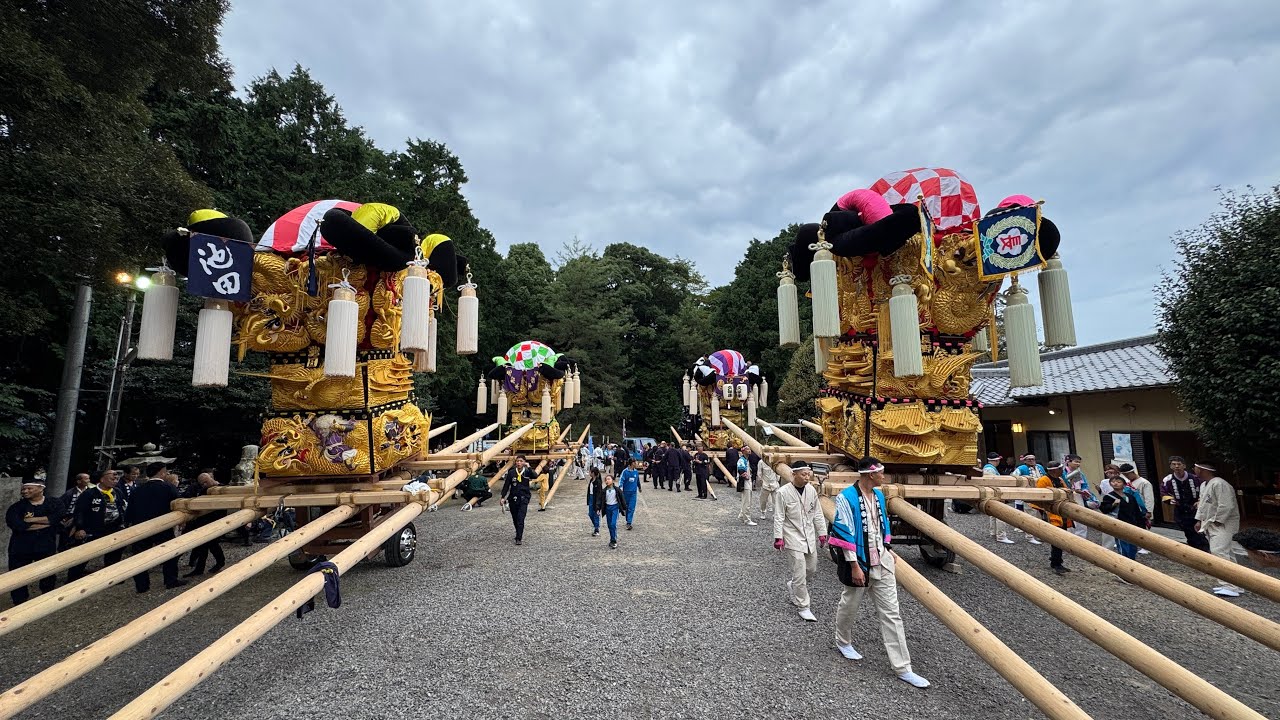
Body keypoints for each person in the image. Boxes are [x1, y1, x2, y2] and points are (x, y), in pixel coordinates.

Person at [829, 457, 930, 688]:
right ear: (870, 474)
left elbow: (882, 524)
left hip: (881, 560)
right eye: (881, 472)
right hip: (860, 561)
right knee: (850, 604)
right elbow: (844, 531)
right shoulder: (847, 497)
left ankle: (903, 667)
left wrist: (887, 548)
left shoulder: (880, 496)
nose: (884, 476)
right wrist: (854, 565)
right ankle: (843, 641)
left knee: (892, 614)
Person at [773, 460, 827, 622]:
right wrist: (778, 537)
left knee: (811, 568)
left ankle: (794, 585)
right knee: (799, 570)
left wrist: (822, 532)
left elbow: (817, 512)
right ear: (793, 474)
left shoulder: (811, 490)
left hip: (809, 534)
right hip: (792, 535)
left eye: (808, 474)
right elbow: (779, 516)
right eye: (803, 474)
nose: (807, 477)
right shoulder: (783, 492)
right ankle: (803, 606)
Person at [6, 474, 65, 604]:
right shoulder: (16, 507)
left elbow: (57, 518)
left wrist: (31, 521)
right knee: (18, 574)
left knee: (48, 572)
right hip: (20, 547)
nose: (25, 491)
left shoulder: (54, 503)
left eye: (29, 489)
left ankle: (47, 598)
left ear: (40, 488)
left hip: (46, 545)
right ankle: (19, 601)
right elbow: (17, 524)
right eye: (24, 489)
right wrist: (47, 522)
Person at [126, 462, 185, 592]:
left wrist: (128, 524)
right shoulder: (169, 488)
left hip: (140, 527)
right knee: (169, 554)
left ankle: (142, 585)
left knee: (140, 557)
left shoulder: (137, 489)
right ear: (162, 472)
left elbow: (130, 510)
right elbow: (178, 505)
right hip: (163, 525)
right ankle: (170, 580)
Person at [1193, 463, 1244, 597]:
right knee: (1228, 554)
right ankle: (1236, 584)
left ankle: (1229, 586)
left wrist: (1218, 520)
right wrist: (1199, 520)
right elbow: (1203, 505)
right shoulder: (1204, 485)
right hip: (1210, 523)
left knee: (1219, 553)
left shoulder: (1220, 484)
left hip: (1222, 524)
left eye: (1196, 468)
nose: (1194, 470)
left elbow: (1226, 505)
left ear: (1203, 469)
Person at [68, 469, 128, 581]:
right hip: (92, 528)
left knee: (115, 553)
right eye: (112, 478)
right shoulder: (89, 493)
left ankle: (113, 577)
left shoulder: (118, 492)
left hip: (114, 527)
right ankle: (73, 578)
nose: (115, 480)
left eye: (116, 478)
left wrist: (123, 523)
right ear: (102, 479)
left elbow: (123, 507)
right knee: (84, 554)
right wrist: (80, 528)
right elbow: (79, 511)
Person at [1033, 461, 1074, 575]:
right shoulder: (1044, 480)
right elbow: (1039, 497)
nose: (1062, 471)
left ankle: (1058, 561)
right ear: (1054, 470)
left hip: (1061, 513)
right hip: (1051, 513)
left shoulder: (1060, 480)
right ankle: (1056, 563)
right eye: (1060, 469)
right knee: (1056, 539)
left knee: (1061, 539)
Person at [1161, 455, 1209, 552]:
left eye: (1179, 464)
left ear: (1184, 466)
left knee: (1200, 532)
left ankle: (1205, 550)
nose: (1176, 466)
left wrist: (1200, 500)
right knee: (1188, 532)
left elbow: (1206, 490)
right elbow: (1163, 493)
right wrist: (1170, 500)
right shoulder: (1168, 480)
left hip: (1196, 510)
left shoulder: (1195, 478)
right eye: (1174, 464)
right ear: (1170, 466)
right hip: (1181, 511)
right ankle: (1194, 551)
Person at [182, 473, 226, 577]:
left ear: (211, 478)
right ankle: (200, 568)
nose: (204, 485)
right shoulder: (203, 490)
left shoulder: (224, 488)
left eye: (206, 482)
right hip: (204, 521)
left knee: (212, 544)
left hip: (217, 520)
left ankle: (219, 562)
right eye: (202, 483)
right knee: (204, 545)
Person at [1099, 474, 1147, 561]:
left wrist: (1141, 524)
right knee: (1123, 544)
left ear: (1124, 484)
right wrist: (1113, 505)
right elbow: (1104, 509)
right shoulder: (1109, 497)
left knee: (1133, 546)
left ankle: (1132, 561)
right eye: (1113, 482)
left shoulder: (1130, 497)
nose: (1115, 483)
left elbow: (1136, 511)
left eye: (1118, 482)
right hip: (1119, 523)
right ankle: (1124, 562)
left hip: (1132, 523)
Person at [500, 455, 536, 545]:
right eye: (517, 461)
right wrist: (503, 497)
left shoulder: (527, 472)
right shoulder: (511, 472)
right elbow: (506, 485)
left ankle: (519, 538)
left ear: (524, 462)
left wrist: (529, 467)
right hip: (513, 498)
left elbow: (535, 476)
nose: (519, 463)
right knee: (515, 518)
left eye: (521, 461)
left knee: (521, 518)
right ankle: (518, 532)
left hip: (524, 498)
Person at [1118, 462, 1154, 554]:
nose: (1126, 476)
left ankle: (1146, 546)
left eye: (1127, 474)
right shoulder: (1129, 483)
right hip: (1132, 508)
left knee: (1143, 527)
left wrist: (1149, 510)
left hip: (1142, 508)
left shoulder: (1144, 482)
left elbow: (1149, 497)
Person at [982, 452, 1014, 544]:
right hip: (995, 494)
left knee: (993, 514)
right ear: (996, 460)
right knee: (1000, 514)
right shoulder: (989, 469)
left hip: (992, 494)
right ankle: (1001, 535)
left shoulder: (989, 468)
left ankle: (994, 533)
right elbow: (992, 483)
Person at [594, 473, 629, 549]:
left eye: (609, 479)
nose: (607, 481)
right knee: (609, 525)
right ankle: (611, 538)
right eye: (606, 479)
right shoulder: (604, 491)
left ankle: (614, 540)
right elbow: (599, 500)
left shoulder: (617, 490)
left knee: (613, 524)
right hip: (607, 508)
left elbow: (622, 499)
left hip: (615, 508)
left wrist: (624, 508)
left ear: (613, 481)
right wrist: (598, 509)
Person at [619, 459, 641, 530]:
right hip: (625, 493)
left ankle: (629, 522)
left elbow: (637, 481)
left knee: (631, 508)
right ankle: (627, 519)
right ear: (631, 464)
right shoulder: (625, 472)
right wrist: (620, 488)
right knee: (626, 507)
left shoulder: (636, 472)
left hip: (633, 493)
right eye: (635, 462)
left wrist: (639, 487)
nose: (636, 463)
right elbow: (621, 480)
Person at [736, 450, 756, 525]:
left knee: (747, 500)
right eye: (747, 449)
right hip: (744, 482)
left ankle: (742, 515)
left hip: (748, 481)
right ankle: (747, 519)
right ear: (743, 451)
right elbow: (741, 470)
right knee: (746, 501)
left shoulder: (746, 459)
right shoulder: (742, 460)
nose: (749, 450)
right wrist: (746, 476)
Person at [586, 467, 603, 536]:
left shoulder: (598, 482)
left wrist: (598, 504)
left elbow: (599, 493)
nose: (589, 473)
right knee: (590, 514)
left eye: (590, 472)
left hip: (596, 499)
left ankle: (596, 529)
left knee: (596, 514)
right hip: (591, 497)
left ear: (593, 473)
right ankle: (596, 525)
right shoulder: (591, 480)